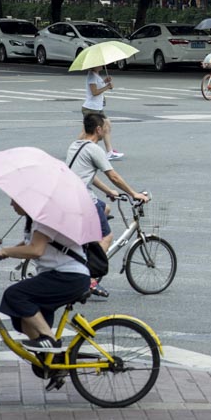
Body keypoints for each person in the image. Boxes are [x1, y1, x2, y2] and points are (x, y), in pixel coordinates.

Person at [0, 201, 94, 354]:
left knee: (15, 295)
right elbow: (32, 242)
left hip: (68, 276)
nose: (10, 204)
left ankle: (50, 339)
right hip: (58, 276)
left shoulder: (46, 218)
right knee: (22, 317)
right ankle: (49, 360)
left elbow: (36, 249)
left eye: (14, 200)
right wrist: (3, 253)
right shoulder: (36, 220)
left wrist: (5, 252)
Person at [66, 114, 149, 297]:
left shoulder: (75, 145)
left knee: (106, 208)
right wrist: (133, 193)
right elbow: (114, 176)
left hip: (70, 196)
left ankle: (87, 244)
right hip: (82, 199)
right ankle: (89, 279)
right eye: (106, 128)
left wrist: (109, 191)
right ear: (98, 129)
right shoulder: (95, 149)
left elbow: (88, 174)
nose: (107, 131)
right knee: (107, 236)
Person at [82, 65, 120, 160]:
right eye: (99, 64)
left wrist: (104, 81)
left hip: (97, 108)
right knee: (86, 132)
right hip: (91, 108)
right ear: (94, 66)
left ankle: (109, 152)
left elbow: (98, 86)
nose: (102, 65)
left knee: (106, 126)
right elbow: (94, 92)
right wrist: (107, 87)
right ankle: (77, 149)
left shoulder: (96, 75)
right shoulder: (91, 76)